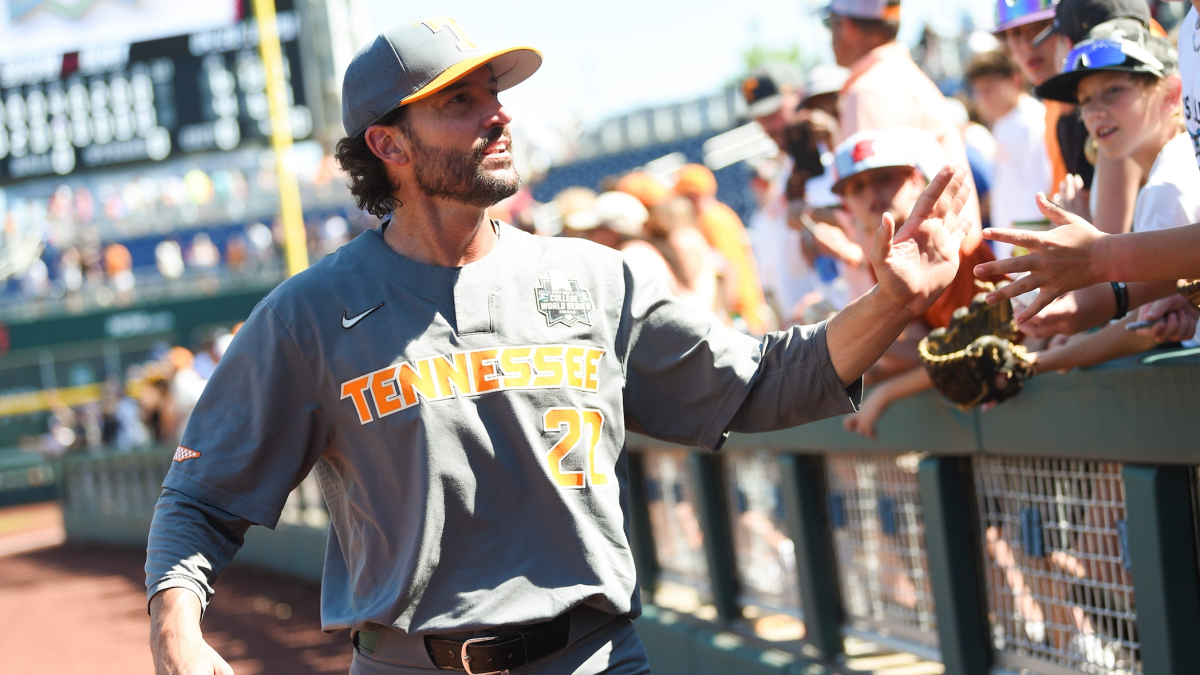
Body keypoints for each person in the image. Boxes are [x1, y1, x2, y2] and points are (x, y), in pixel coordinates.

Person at [145, 16, 975, 675]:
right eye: (458, 102)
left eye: (493, 93)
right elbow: (199, 499)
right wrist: (176, 634)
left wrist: (896, 297)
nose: (497, 113)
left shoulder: (593, 279)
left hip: (595, 658)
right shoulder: (310, 315)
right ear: (389, 146)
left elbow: (762, 382)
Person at [983, 28, 1200, 345]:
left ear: (1170, 94)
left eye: (1113, 90)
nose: (1095, 111)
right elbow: (1154, 311)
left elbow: (1140, 336)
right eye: (1085, 100)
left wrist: (1033, 364)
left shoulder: (1166, 185)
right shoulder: (1165, 171)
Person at [828, 128, 1004, 438]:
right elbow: (923, 346)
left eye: (884, 177)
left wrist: (886, 393)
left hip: (1023, 390)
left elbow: (973, 350)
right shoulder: (885, 260)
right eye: (856, 187)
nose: (871, 193)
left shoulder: (951, 246)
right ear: (846, 205)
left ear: (915, 181)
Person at [827, 0, 983, 245]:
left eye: (829, 24)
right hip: (947, 258)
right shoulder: (904, 76)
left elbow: (882, 223)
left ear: (845, 25)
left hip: (926, 267)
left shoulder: (870, 90)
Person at [740, 64, 820, 325]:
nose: (768, 125)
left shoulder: (827, 152)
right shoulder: (785, 167)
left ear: (799, 96)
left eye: (773, 112)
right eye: (759, 117)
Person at [966, 50, 1052, 259]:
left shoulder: (1031, 121)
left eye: (988, 89)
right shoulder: (1004, 122)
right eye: (978, 91)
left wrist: (1028, 244)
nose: (982, 98)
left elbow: (1041, 188)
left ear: (1015, 79)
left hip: (1028, 246)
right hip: (1012, 244)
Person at [674, 164, 770, 332]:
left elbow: (728, 267)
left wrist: (727, 316)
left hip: (740, 313)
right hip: (744, 309)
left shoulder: (711, 220)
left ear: (693, 196)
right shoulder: (719, 214)